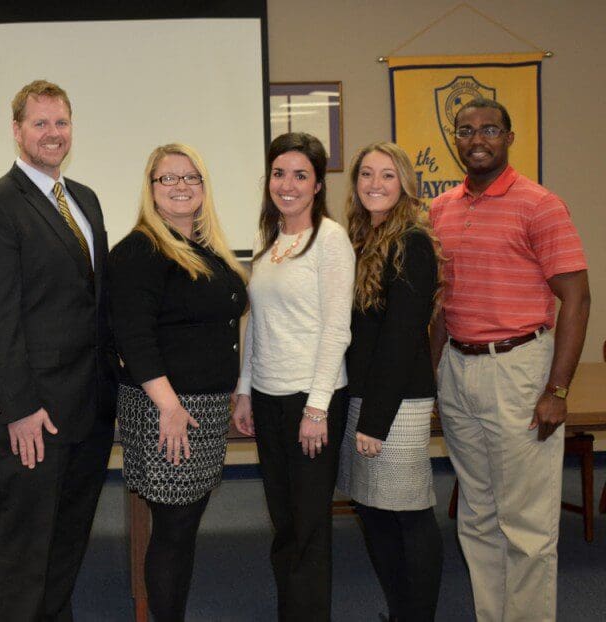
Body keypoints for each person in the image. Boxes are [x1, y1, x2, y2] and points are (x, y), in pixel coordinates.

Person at [0, 79, 117, 621]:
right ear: (17, 131)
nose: (53, 133)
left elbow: (92, 305)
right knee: (23, 558)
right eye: (40, 123)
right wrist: (21, 410)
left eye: (61, 122)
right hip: (31, 419)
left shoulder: (86, 200)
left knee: (65, 551)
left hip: (87, 412)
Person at [430, 98, 589, 622]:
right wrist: (431, 380)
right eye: (466, 130)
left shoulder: (540, 204)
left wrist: (558, 390)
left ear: (509, 137)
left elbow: (577, 297)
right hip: (458, 367)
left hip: (520, 370)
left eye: (490, 129)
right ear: (455, 138)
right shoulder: (442, 209)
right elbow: (438, 305)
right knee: (476, 516)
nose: (478, 139)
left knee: (527, 525)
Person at [107, 143, 246, 621]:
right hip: (167, 408)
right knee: (174, 526)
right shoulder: (140, 250)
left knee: (184, 523)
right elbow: (133, 336)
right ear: (151, 189)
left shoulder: (207, 248)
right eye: (168, 178)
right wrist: (168, 407)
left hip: (203, 406)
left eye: (191, 177)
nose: (181, 186)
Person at [232, 132, 355, 621]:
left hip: (312, 399)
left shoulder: (330, 239)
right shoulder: (270, 240)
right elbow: (259, 323)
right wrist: (244, 390)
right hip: (267, 396)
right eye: (279, 173)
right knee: (284, 522)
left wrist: (317, 406)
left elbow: (336, 329)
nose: (287, 184)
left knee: (308, 527)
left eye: (300, 175)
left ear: (317, 184)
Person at [335, 142, 443, 621]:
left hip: (396, 403)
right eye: (366, 174)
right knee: (373, 511)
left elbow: (401, 339)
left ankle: (416, 615)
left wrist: (375, 421)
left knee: (407, 514)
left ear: (404, 185)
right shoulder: (358, 238)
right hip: (364, 396)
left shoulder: (412, 242)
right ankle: (400, 610)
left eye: (387, 175)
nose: (374, 184)